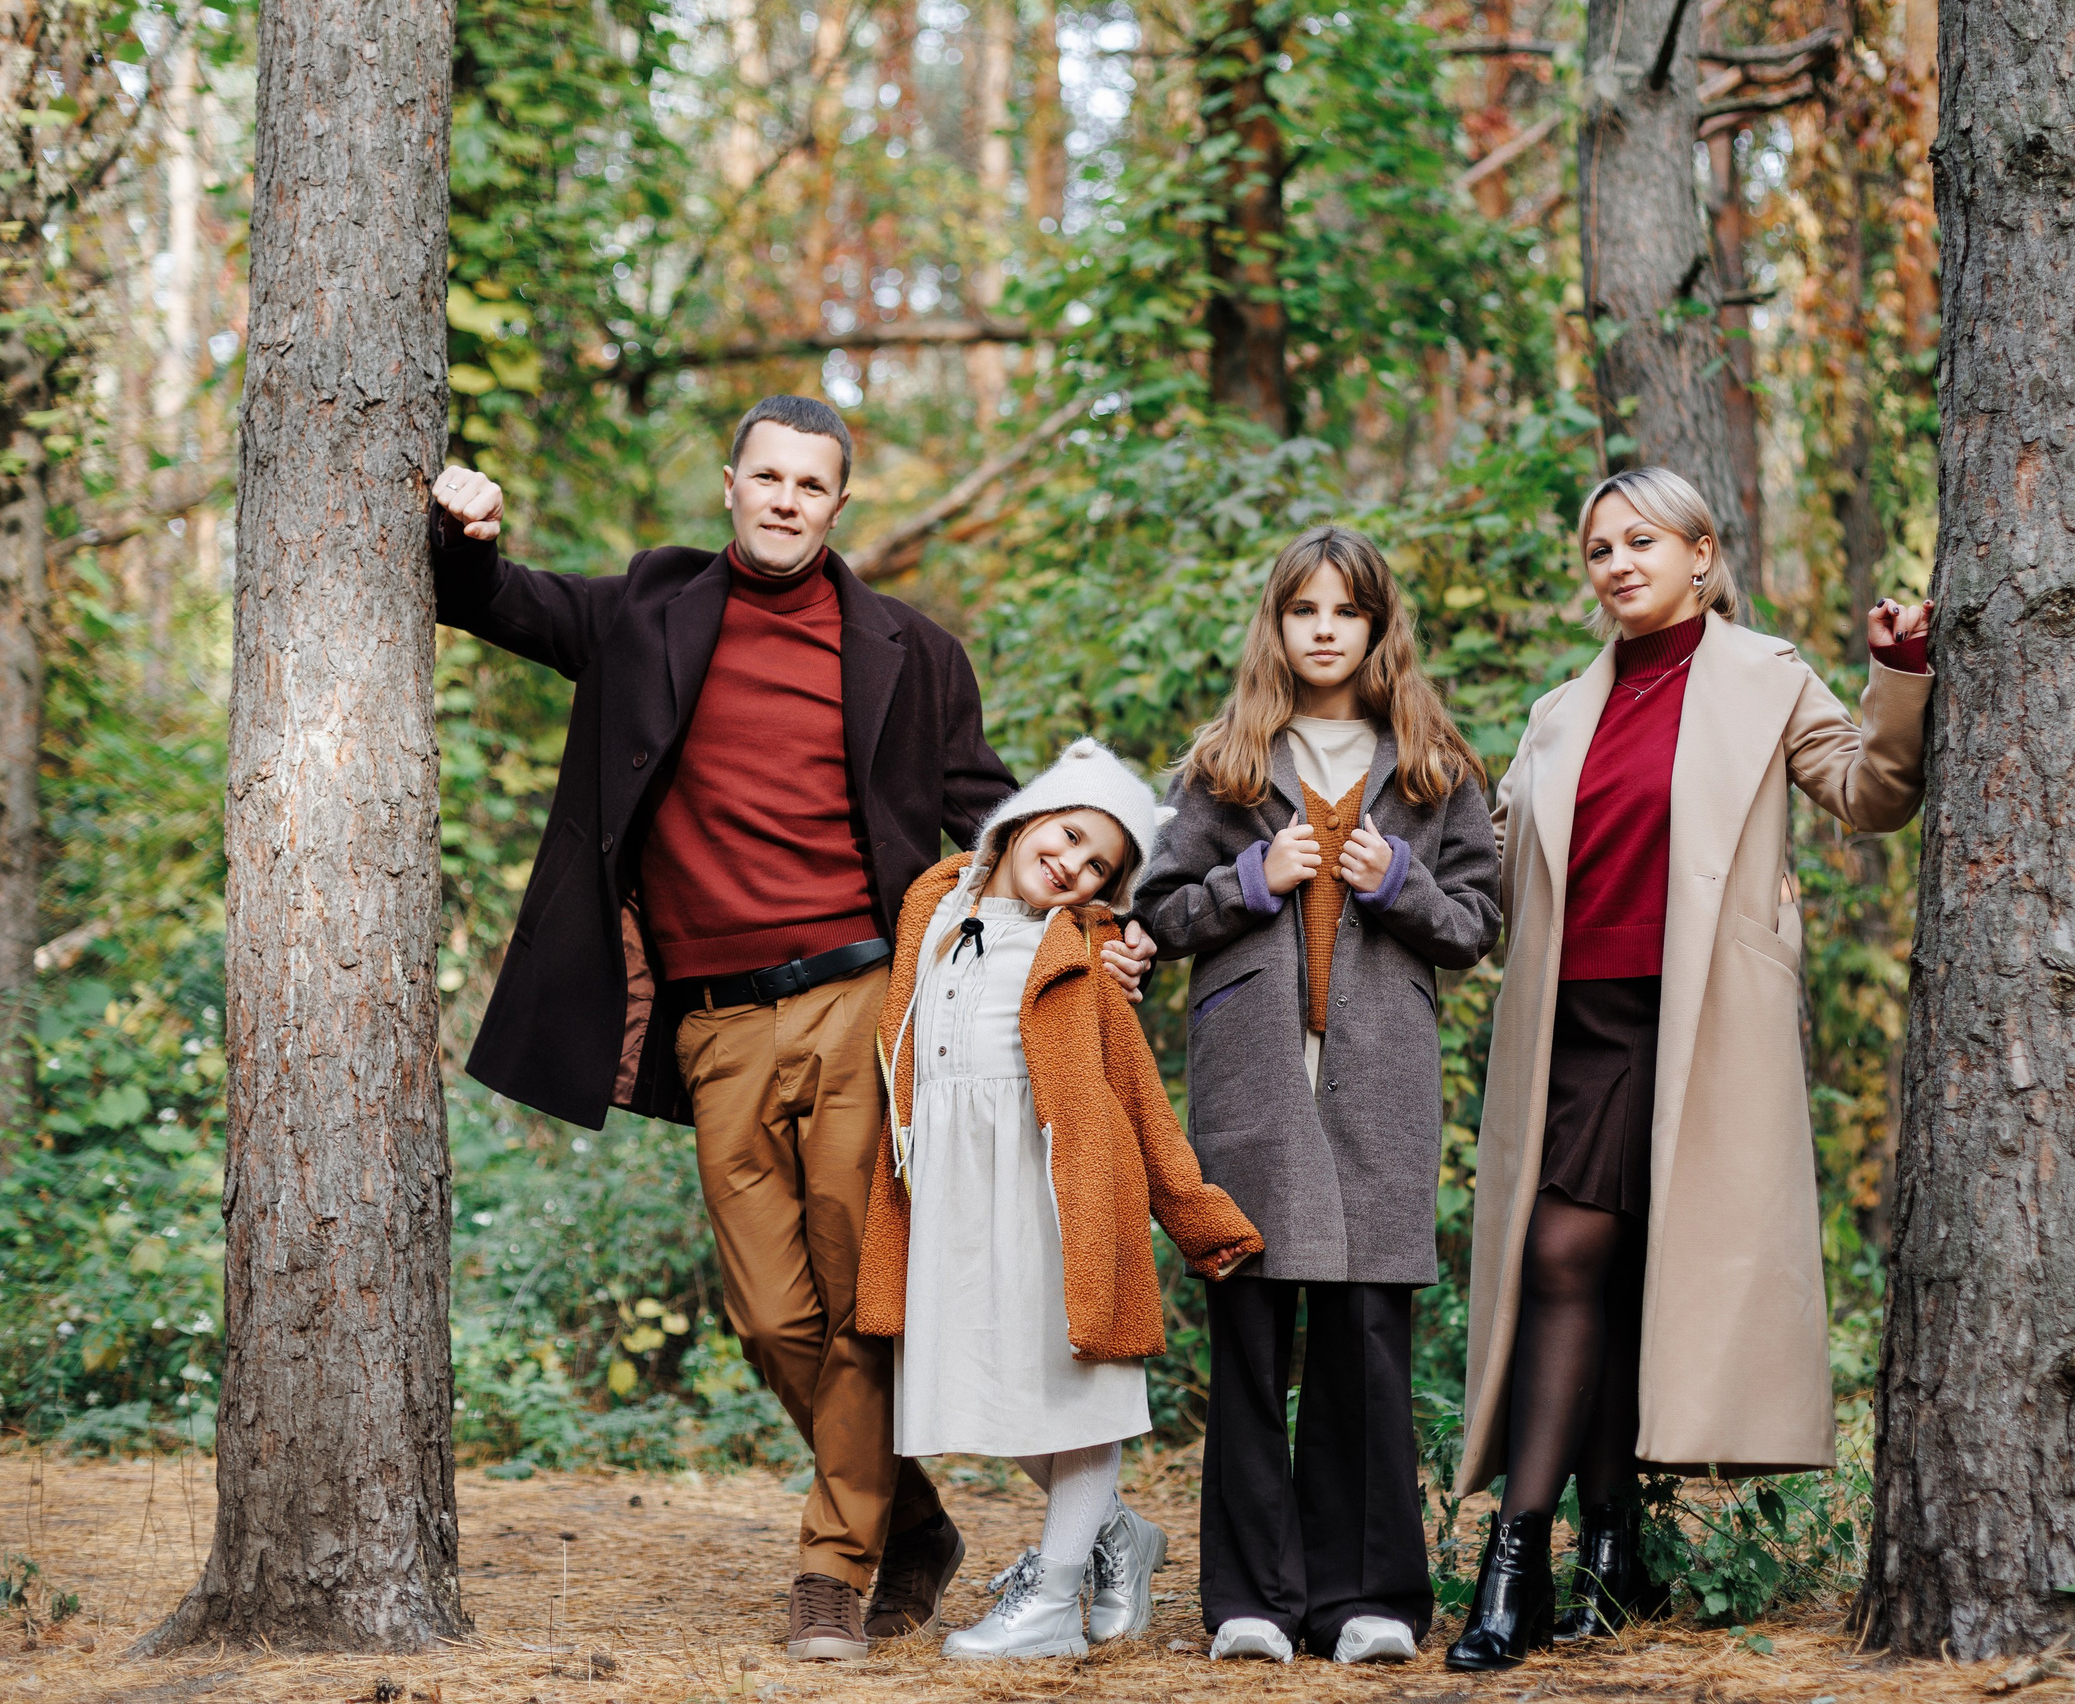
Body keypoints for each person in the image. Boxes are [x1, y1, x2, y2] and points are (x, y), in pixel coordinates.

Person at [425, 397, 1156, 1663]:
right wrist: (466, 532)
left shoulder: (910, 652)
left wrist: (1110, 917)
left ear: (837, 505)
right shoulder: (643, 611)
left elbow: (998, 818)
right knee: (769, 1318)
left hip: (862, 1004)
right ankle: (912, 1521)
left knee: (863, 1300)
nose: (784, 500)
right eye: (766, 477)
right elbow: (494, 603)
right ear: (730, 484)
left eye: (810, 485)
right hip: (714, 1028)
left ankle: (832, 1573)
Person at [1446, 468, 1934, 1671]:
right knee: (1580, 1267)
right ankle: (1592, 1553)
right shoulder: (1559, 711)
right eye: (1599, 548)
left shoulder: (1767, 678)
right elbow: (1494, 864)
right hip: (1570, 1023)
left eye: (1642, 542)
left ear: (1701, 556)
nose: (1617, 563)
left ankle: (1531, 1562)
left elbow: (1869, 793)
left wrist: (1901, 674)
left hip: (1695, 1017)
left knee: (1581, 1263)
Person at [1136, 526, 1503, 1665]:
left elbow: (1477, 925)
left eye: (1348, 610)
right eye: (1306, 611)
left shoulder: (1434, 766)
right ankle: (1252, 1598)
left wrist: (1398, 882)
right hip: (1253, 1087)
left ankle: (1369, 1599)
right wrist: (1254, 877)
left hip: (1379, 1089)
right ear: (1278, 625)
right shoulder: (1226, 764)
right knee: (1250, 1341)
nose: (1327, 630)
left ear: (1379, 626)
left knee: (1364, 1343)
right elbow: (1158, 910)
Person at [852, 737, 1263, 1660]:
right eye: (1071, 835)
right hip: (951, 1185)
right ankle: (1119, 1534)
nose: (1074, 866)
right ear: (1026, 816)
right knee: (986, 1381)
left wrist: (1192, 1208)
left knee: (1076, 1388)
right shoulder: (933, 901)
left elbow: (1135, 1090)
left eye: (1099, 867)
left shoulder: (1087, 946)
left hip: (1056, 1189)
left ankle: (1051, 1599)